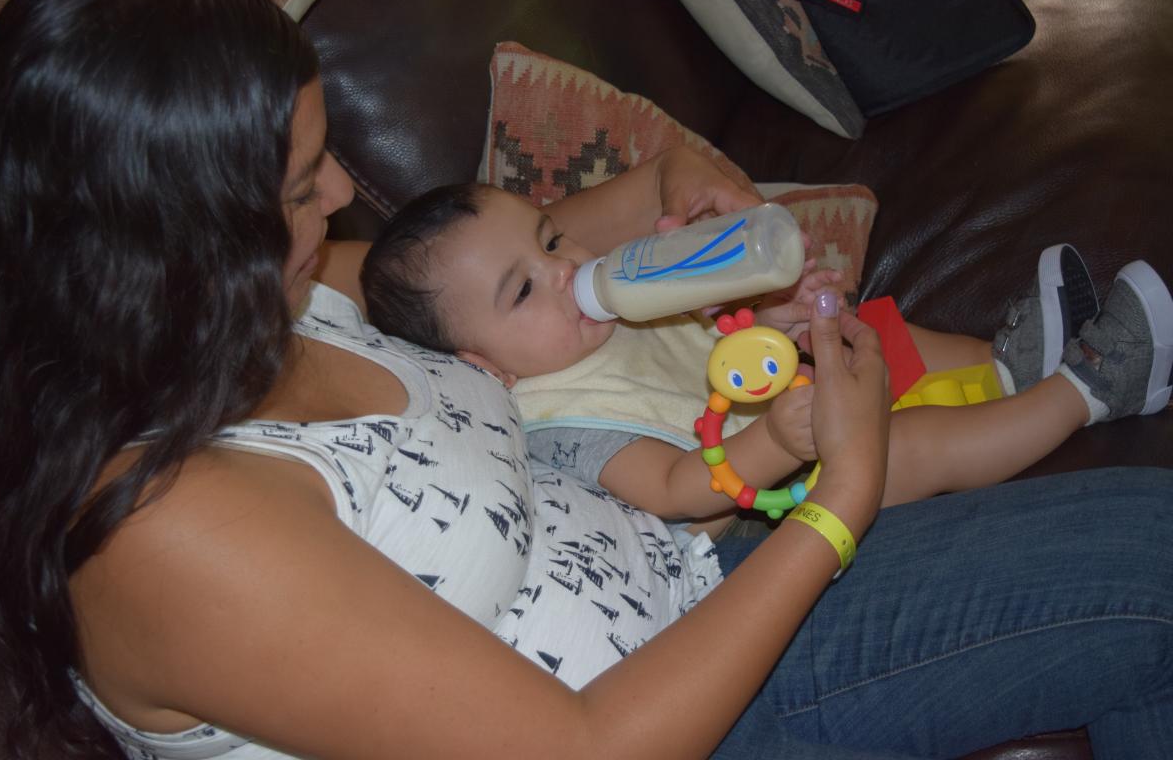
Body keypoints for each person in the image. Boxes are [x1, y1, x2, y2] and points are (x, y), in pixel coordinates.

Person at [0, 0, 1173, 760]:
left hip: (700, 575)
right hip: (666, 716)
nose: (341, 192)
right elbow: (584, 746)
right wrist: (840, 496)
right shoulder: (164, 533)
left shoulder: (289, 302)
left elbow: (498, 267)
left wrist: (667, 188)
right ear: (172, 248)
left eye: (324, 153)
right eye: (300, 186)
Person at [358, 182, 1173, 534]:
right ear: (486, 367)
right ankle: (1092, 387)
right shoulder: (559, 422)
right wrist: (780, 441)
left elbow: (727, 342)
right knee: (903, 447)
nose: (565, 271)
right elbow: (675, 489)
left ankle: (1006, 369)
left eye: (550, 238)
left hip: (792, 406)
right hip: (768, 504)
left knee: (868, 328)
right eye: (524, 289)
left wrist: (784, 317)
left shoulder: (616, 305)